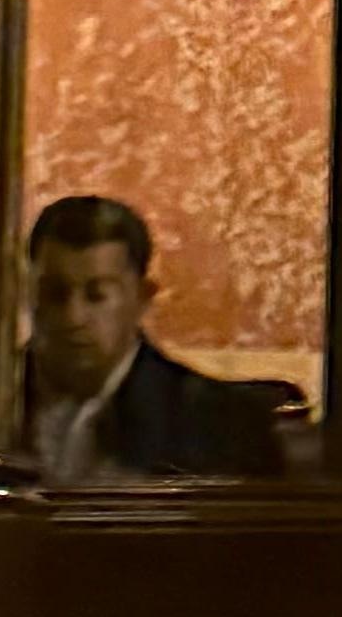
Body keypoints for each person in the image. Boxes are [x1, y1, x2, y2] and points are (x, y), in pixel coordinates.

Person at [21, 194, 288, 481]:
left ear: (142, 297)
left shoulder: (222, 424)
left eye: (97, 295)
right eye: (54, 293)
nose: (72, 316)